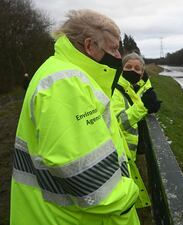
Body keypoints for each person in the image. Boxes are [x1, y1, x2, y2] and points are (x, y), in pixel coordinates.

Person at [10, 9, 140, 225]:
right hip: (68, 218)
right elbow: (83, 173)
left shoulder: (68, 74)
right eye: (114, 49)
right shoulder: (66, 84)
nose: (118, 56)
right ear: (89, 46)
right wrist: (128, 197)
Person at [111, 52, 160, 209]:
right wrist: (143, 107)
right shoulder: (115, 90)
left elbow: (138, 110)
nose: (133, 71)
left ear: (142, 72)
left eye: (137, 68)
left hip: (136, 150)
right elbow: (118, 122)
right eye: (128, 67)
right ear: (122, 68)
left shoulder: (140, 88)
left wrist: (150, 108)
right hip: (120, 152)